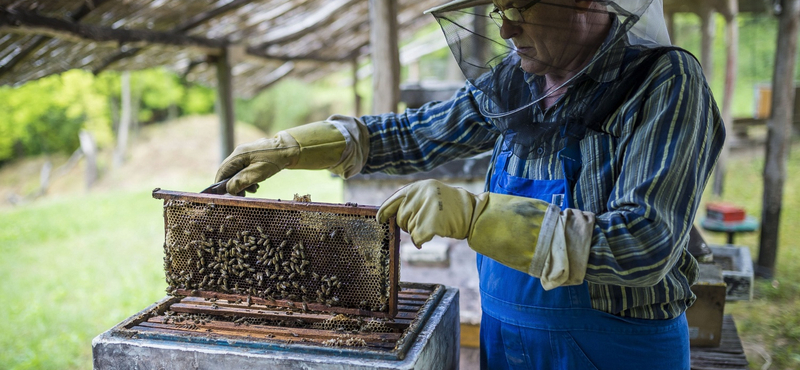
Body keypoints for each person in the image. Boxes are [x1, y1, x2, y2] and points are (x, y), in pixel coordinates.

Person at [214, 0, 725, 368]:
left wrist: (477, 217)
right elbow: (420, 133)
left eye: (520, 6)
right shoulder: (517, 79)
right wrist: (299, 147)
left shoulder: (665, 82)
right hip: (506, 342)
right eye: (500, 8)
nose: (506, 28)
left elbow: (644, 244)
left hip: (616, 349)